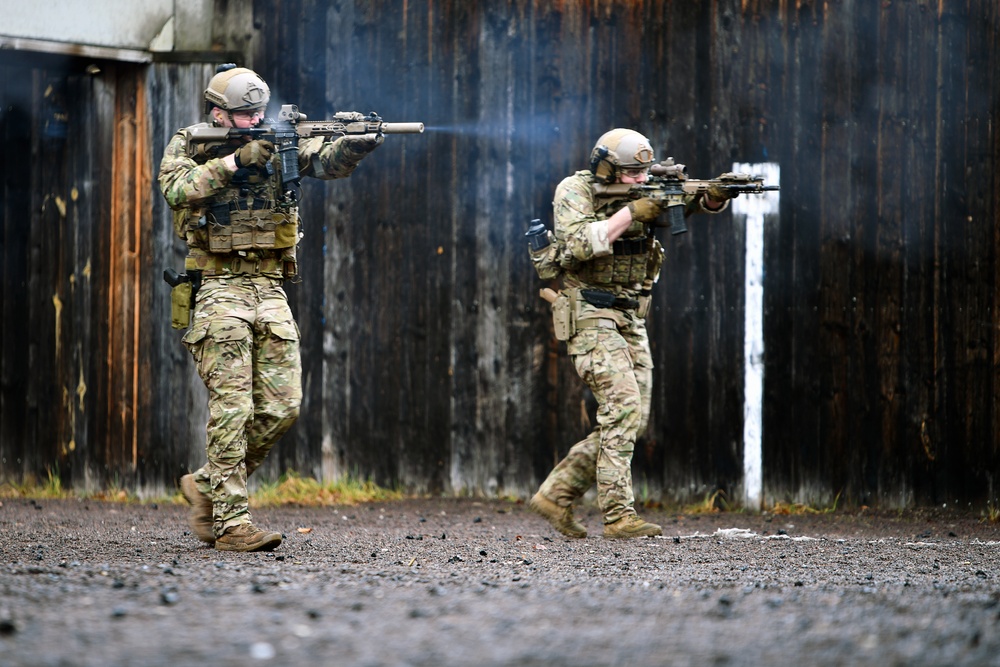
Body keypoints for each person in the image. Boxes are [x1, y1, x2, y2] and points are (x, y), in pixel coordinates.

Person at [158, 64, 383, 551]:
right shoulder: (190, 142)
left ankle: (205, 485)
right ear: (218, 113)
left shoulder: (281, 140)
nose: (256, 121)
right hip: (218, 287)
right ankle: (231, 525)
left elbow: (325, 161)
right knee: (233, 408)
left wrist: (357, 142)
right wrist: (237, 161)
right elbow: (177, 188)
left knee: (283, 408)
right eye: (245, 115)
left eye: (260, 112)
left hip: (270, 286)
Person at [527, 128, 735, 539]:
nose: (641, 182)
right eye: (631, 175)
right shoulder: (575, 190)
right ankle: (619, 517)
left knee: (632, 420)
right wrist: (632, 212)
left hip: (629, 315)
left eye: (644, 175)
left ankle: (557, 493)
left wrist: (714, 196)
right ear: (606, 167)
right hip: (589, 311)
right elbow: (579, 243)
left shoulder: (646, 188)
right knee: (621, 408)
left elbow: (690, 202)